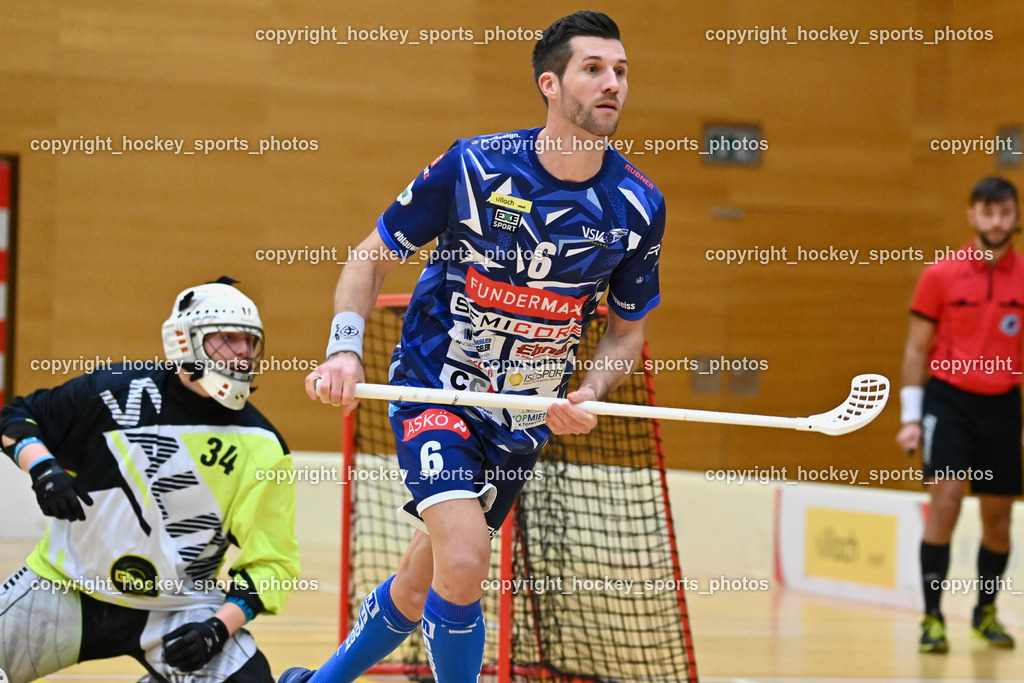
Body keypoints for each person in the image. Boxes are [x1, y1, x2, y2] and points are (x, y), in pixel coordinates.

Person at [281, 10, 664, 683]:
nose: (613, 84)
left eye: (621, 71)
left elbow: (627, 331)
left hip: (523, 418)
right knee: (463, 562)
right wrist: (344, 348)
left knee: (420, 579)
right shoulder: (475, 166)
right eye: (594, 69)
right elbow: (370, 257)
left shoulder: (637, 204)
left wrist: (591, 391)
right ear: (550, 84)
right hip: (437, 391)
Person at [0, 277, 300, 682]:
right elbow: (17, 417)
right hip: (64, 587)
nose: (244, 352)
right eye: (228, 338)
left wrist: (217, 629)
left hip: (179, 608)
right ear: (184, 340)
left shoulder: (262, 446)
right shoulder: (112, 392)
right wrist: (44, 471)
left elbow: (272, 566)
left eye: (250, 341)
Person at [896, 177, 1023, 654]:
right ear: (972, 216)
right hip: (948, 402)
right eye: (988, 212)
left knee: (998, 521)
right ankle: (932, 618)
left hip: (1003, 405)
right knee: (945, 502)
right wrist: (911, 417)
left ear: (1016, 216)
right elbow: (916, 348)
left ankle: (985, 612)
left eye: (1005, 211)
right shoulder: (940, 275)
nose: (997, 221)